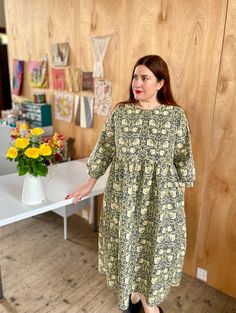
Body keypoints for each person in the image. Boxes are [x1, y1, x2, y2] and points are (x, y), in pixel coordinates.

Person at [66, 55, 195, 313]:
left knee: (154, 248)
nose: (137, 82)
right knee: (128, 244)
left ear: (160, 83)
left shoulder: (175, 117)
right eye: (135, 77)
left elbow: (183, 160)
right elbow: (103, 150)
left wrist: (177, 203)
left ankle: (150, 303)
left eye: (145, 78)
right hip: (124, 196)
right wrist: (89, 183)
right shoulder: (122, 113)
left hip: (161, 200)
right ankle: (134, 294)